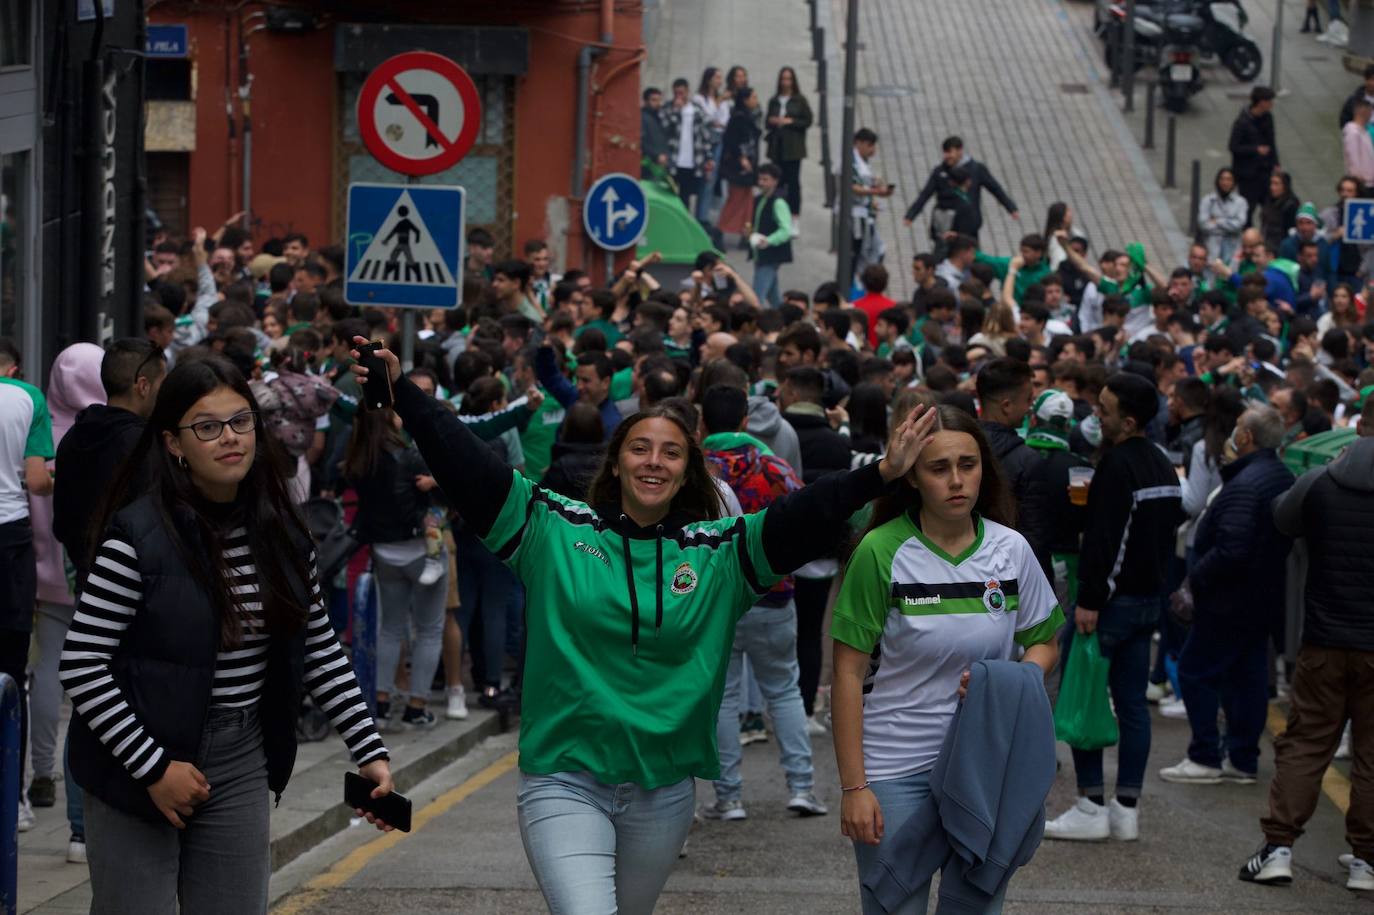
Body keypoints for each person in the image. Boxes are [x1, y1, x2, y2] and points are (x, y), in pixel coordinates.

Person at [349, 336, 935, 914]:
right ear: (617, 461)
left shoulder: (722, 553)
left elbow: (805, 513)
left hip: (665, 796)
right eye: (640, 448)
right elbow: (469, 465)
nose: (654, 460)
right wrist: (404, 393)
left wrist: (881, 473)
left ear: (687, 473)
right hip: (564, 781)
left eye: (672, 452)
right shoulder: (553, 529)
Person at [59, 357, 393, 914]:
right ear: (174, 444)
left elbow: (319, 647)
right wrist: (154, 768)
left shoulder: (283, 533)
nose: (229, 438)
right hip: (136, 760)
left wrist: (369, 751)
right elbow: (82, 662)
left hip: (240, 757)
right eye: (207, 427)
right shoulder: (136, 537)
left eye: (241, 422)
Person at [832, 404, 1062, 915]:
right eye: (939, 468)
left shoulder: (1012, 549)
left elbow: (1044, 641)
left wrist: (1012, 679)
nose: (957, 481)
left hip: (984, 765)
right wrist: (854, 787)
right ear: (912, 476)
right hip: (893, 769)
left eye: (968, 464)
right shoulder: (879, 551)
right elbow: (846, 673)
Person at [1238, 395, 1374, 890]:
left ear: (1360, 424)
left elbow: (1281, 517)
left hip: (1323, 638)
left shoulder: (1323, 479)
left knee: (1305, 745)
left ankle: (1277, 849)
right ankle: (1367, 861)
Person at [1045, 372, 1182, 842]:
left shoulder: (1118, 466)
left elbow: (1107, 541)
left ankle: (1089, 803)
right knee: (1132, 705)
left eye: (1102, 410)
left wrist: (1091, 600)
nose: (1094, 416)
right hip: (1148, 602)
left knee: (1083, 692)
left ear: (1127, 420)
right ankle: (1126, 808)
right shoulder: (1162, 465)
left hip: (1111, 604)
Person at [698, 384, 825, 820]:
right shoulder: (774, 468)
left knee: (725, 696)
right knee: (785, 691)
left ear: (702, 423)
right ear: (745, 422)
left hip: (716, 602)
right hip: (773, 594)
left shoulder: (692, 471)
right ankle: (803, 787)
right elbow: (806, 518)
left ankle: (728, 797)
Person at [1160, 405, 1292, 788]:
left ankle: (1205, 756)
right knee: (1245, 677)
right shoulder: (1277, 474)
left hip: (1227, 600)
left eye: (1238, 428)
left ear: (1247, 437)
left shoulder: (1246, 484)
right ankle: (1242, 757)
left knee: (1195, 671)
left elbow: (1232, 548)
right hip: (1259, 599)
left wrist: (1193, 580)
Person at [23, 343, 104, 858]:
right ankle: (80, 823)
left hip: (43, 575)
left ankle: (43, 771)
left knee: (48, 672)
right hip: (95, 577)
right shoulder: (104, 436)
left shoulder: (40, 429)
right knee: (91, 692)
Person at [345, 405, 450, 729]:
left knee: (389, 628)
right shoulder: (409, 456)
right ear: (387, 419)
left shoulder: (359, 461)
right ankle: (417, 707)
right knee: (429, 630)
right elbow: (444, 496)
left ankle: (381, 699)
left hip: (384, 552)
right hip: (421, 549)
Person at [0, 338, 54, 835]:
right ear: (12, 366)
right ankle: (12, 798)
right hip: (10, 540)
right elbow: (37, 482)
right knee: (12, 673)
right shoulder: (27, 398)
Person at [975, 359, 1051, 578]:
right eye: (1028, 400)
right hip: (1010, 577)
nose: (1030, 408)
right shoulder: (1028, 461)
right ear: (1006, 406)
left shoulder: (957, 447)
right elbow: (1034, 538)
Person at [903, 136, 1018, 246]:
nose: (946, 156)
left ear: (960, 150)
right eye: (945, 152)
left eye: (949, 152)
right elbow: (925, 194)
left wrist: (1010, 207)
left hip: (967, 224)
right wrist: (911, 215)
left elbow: (995, 188)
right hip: (945, 223)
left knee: (969, 255)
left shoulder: (976, 169)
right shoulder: (939, 171)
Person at [764, 66, 813, 217]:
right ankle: (778, 213)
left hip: (793, 148)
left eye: (789, 79)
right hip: (777, 147)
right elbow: (767, 122)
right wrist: (773, 121)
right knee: (777, 181)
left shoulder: (799, 100)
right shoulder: (774, 100)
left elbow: (807, 120)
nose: (786, 82)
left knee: (793, 183)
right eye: (784, 79)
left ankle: (794, 214)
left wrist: (790, 121)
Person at [849, 127, 894, 282]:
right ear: (859, 143)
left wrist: (873, 194)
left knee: (874, 250)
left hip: (865, 214)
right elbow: (852, 187)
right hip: (854, 216)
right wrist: (876, 191)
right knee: (857, 253)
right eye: (870, 145)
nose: (873, 150)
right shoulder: (850, 161)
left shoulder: (862, 161)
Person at [1229, 87, 1280, 223]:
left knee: (1269, 206)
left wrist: (1275, 163)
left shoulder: (1268, 118)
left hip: (1264, 171)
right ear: (1261, 102)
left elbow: (1271, 142)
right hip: (1247, 175)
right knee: (1248, 208)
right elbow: (1234, 147)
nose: (1271, 104)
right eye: (1269, 101)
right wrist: (1255, 149)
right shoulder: (1242, 122)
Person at [717, 86, 762, 238]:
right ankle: (720, 229)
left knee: (748, 200)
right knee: (735, 199)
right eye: (753, 98)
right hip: (739, 166)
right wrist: (741, 157)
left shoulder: (751, 116)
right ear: (745, 100)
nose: (756, 101)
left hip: (750, 164)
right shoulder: (738, 118)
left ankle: (746, 232)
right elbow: (731, 141)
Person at [749, 163, 794, 307]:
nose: (761, 183)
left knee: (757, 296)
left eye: (765, 179)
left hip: (770, 255)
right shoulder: (759, 199)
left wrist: (769, 241)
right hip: (761, 254)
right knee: (773, 296)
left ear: (775, 181)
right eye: (760, 179)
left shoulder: (778, 202)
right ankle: (785, 319)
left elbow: (786, 230)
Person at [1198, 167, 1249, 265]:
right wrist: (1228, 223)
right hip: (1211, 247)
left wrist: (1217, 221)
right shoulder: (1208, 200)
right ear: (1218, 181)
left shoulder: (1241, 202)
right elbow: (1203, 224)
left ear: (1233, 182)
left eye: (1229, 179)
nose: (1225, 183)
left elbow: (1238, 225)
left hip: (1232, 248)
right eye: (1222, 179)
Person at [1261, 171, 1300, 253]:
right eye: (1271, 183)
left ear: (1284, 186)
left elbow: (1289, 232)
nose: (1272, 187)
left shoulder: (1291, 206)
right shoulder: (1270, 200)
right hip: (1267, 244)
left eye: (1276, 184)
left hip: (1279, 248)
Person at [1343, 99, 1374, 187]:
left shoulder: (1364, 131)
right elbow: (1353, 157)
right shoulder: (1352, 132)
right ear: (1365, 112)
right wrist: (1356, 179)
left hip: (1370, 181)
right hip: (1362, 183)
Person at [640, 87, 670, 175]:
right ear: (645, 101)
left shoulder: (660, 118)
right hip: (647, 165)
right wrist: (656, 156)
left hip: (661, 165)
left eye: (659, 100)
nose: (658, 103)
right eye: (654, 100)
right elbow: (642, 141)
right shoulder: (642, 118)